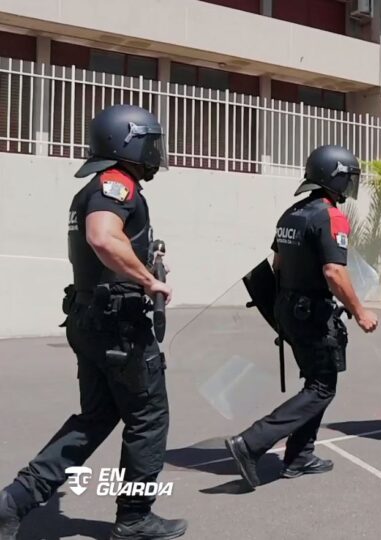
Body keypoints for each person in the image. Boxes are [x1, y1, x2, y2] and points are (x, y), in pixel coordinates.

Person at [0, 105, 187, 540]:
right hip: (118, 326)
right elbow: (103, 237)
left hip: (92, 318)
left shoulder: (93, 188)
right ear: (127, 142)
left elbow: (108, 244)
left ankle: (14, 502)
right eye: (150, 142)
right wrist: (148, 281)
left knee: (96, 416)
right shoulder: (115, 183)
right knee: (148, 417)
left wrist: (144, 264)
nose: (154, 152)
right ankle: (136, 516)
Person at [224, 145, 379, 489]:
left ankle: (299, 456)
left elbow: (278, 265)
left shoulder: (292, 214)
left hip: (289, 309)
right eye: (348, 178)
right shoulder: (330, 215)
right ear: (334, 178)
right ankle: (251, 443)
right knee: (323, 387)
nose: (350, 185)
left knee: (317, 383)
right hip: (313, 312)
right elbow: (334, 272)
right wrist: (360, 310)